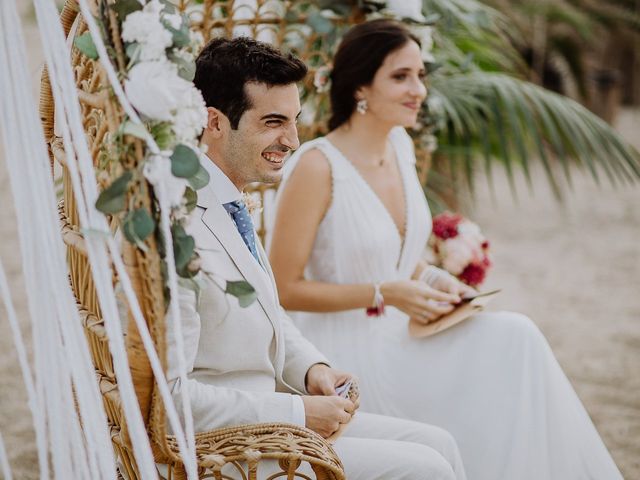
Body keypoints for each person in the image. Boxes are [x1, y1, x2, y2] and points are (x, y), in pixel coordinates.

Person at [268, 19, 623, 480]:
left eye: (421, 75)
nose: (418, 89)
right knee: (511, 346)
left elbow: (395, 257)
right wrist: (384, 294)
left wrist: (436, 281)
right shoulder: (315, 166)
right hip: (340, 353)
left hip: (400, 331)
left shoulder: (400, 145)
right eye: (401, 76)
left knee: (518, 337)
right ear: (360, 86)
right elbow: (281, 289)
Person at [169, 36, 468, 479]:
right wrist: (297, 412)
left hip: (273, 421)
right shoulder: (179, 226)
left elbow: (264, 310)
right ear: (214, 122)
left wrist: (313, 369)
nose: (291, 140)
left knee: (439, 441)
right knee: (426, 469)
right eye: (273, 122)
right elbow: (168, 398)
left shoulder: (231, 202)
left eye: (294, 121)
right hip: (225, 450)